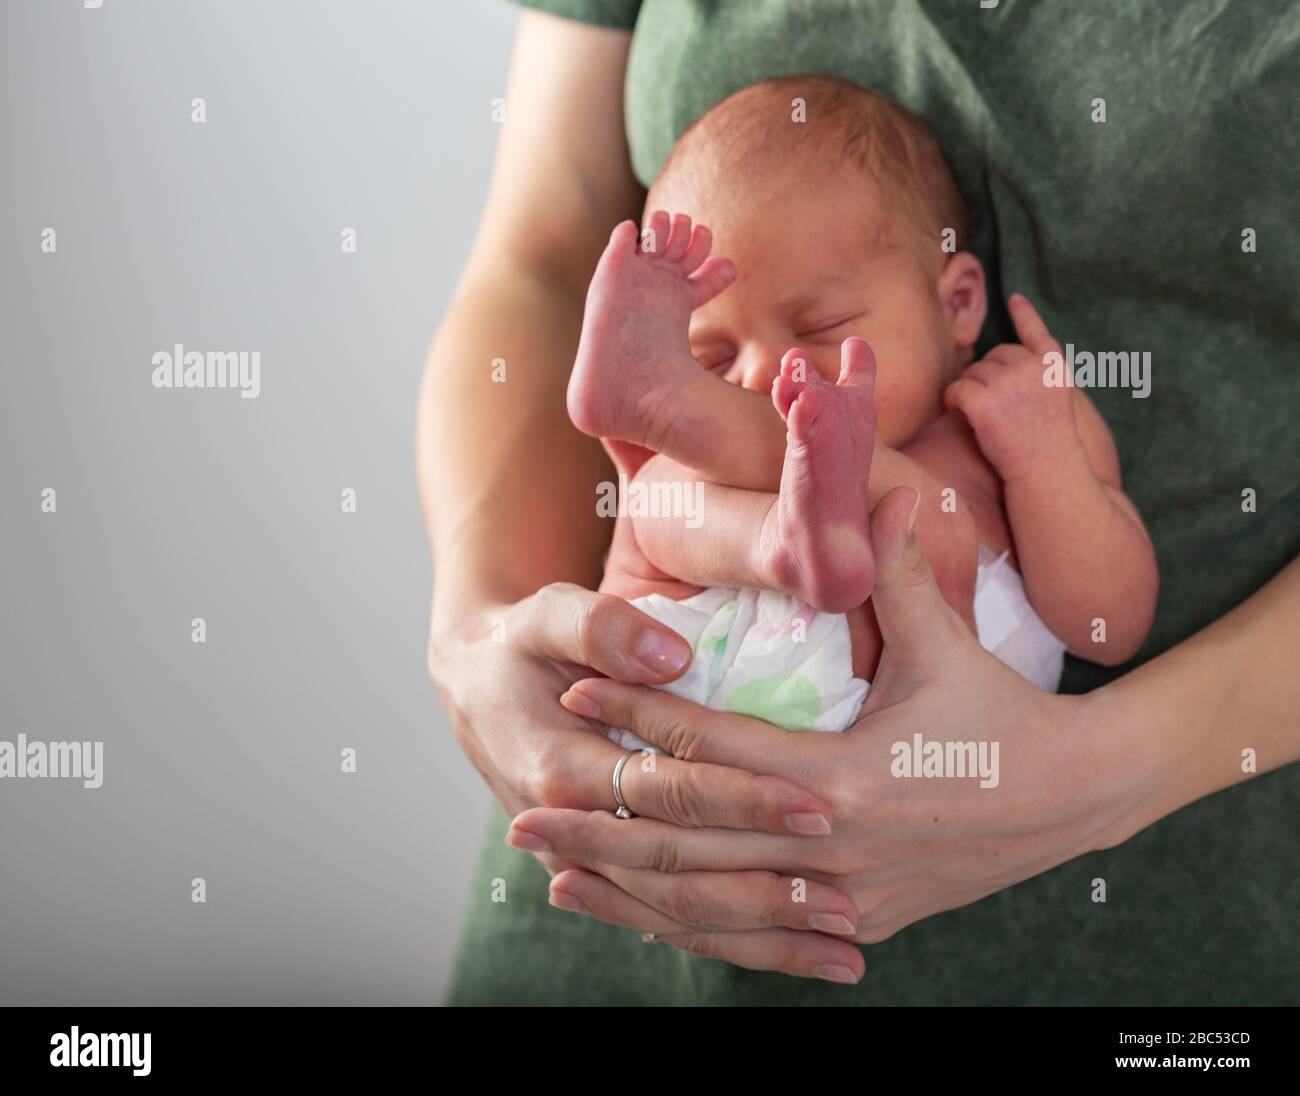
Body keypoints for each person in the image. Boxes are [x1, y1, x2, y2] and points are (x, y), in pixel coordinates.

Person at [420, 1, 1300, 1004]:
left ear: (957, 303)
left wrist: (1048, 464)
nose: (763, 376)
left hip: (1141, 918)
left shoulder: (1004, 418)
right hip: (639, 801)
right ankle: (779, 515)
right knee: (662, 500)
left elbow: (1105, 617)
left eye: (821, 330)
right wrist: (472, 632)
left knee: (915, 515)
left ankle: (787, 504)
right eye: (712, 355)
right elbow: (541, 256)